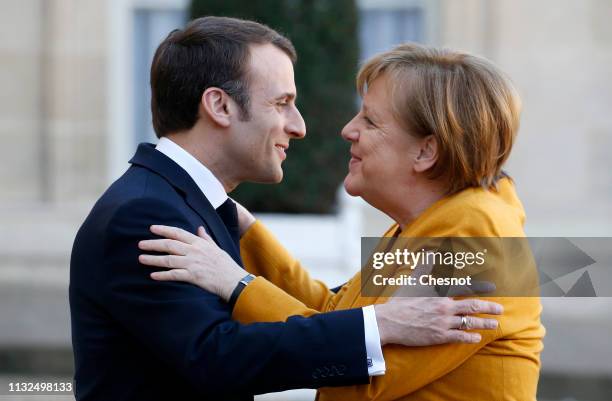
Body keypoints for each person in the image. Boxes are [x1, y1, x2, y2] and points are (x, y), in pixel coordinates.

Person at [69, 18, 503, 401]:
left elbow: (366, 381)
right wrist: (376, 324)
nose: (303, 127)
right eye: (282, 103)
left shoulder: (481, 235)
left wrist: (240, 280)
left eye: (370, 121)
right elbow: (222, 355)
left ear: (426, 150)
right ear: (219, 105)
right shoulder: (148, 211)